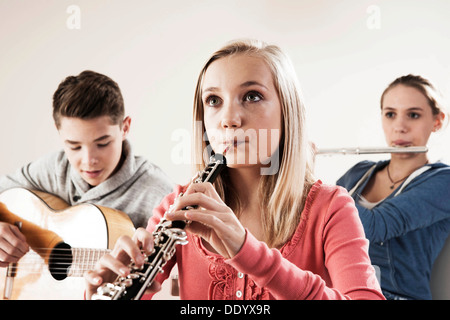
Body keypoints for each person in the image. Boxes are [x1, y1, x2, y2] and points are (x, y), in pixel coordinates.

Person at [85, 40, 384, 300]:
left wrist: (248, 251)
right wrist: (107, 286)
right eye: (214, 101)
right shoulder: (178, 205)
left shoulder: (331, 208)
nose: (228, 119)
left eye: (252, 96)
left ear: (287, 110)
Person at [0, 70, 174, 268]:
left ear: (124, 128)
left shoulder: (159, 194)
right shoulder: (55, 168)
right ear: (59, 133)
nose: (88, 159)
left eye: (102, 143)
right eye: (74, 146)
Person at [336, 74, 450, 300]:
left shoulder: (443, 181)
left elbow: (375, 227)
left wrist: (305, 176)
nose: (399, 127)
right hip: (341, 293)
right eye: (390, 114)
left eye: (413, 115)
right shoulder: (359, 172)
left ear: (437, 121)